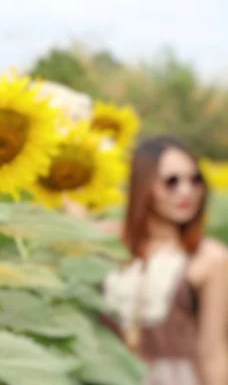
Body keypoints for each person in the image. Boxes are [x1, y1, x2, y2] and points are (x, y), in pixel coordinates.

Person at [64, 135, 228, 385]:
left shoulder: (210, 258)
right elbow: (66, 221)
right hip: (109, 377)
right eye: (171, 181)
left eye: (195, 180)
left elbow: (213, 350)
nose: (187, 191)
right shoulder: (108, 239)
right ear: (143, 183)